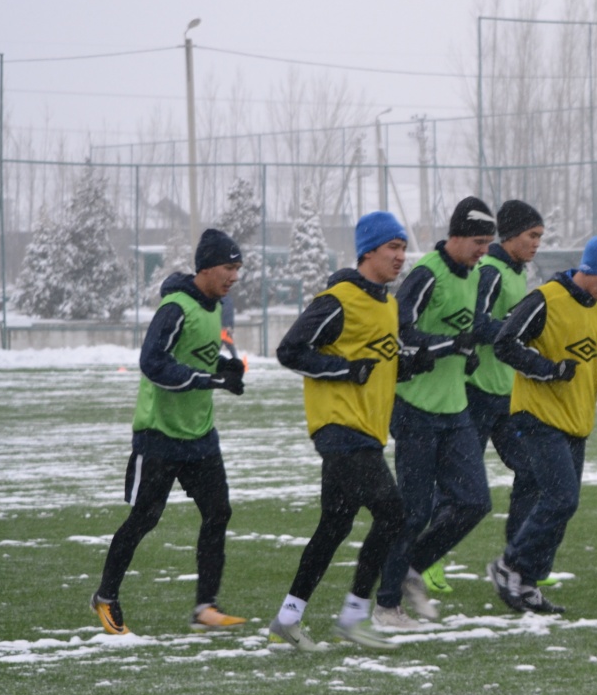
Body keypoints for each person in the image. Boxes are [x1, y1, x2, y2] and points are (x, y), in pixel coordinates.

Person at [267, 211, 439, 652]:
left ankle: (288, 617)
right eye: (392, 248)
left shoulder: (388, 305)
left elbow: (377, 364)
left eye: (403, 248)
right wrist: (343, 368)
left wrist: (411, 365)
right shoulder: (338, 299)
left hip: (366, 432)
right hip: (339, 428)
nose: (401, 256)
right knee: (393, 514)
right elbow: (290, 350)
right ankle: (354, 616)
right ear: (368, 251)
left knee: (334, 526)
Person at [90, 229, 248, 635]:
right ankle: (105, 597)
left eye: (238, 269)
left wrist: (226, 370)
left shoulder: (216, 307)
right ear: (206, 267)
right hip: (159, 435)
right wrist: (208, 379)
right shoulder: (176, 307)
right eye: (228, 268)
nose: (234, 276)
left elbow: (200, 358)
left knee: (218, 512)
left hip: (200, 435)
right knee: (144, 518)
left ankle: (206, 607)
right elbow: (153, 363)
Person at [372, 197, 496, 630]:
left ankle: (411, 566)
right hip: (415, 408)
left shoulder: (476, 275)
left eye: (488, 243)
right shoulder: (426, 274)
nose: (484, 250)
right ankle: (387, 606)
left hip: (456, 407)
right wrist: (449, 346)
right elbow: (400, 334)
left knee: (475, 502)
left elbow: (469, 330)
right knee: (414, 511)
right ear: (457, 236)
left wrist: (471, 351)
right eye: (479, 242)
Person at [488, 235, 597, 613]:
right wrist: (548, 369)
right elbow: (504, 343)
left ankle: (527, 583)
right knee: (561, 497)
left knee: (563, 505)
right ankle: (508, 565)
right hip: (537, 415)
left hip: (575, 419)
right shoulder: (545, 299)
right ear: (588, 269)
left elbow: (592, 360)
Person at [434, 199, 545, 597]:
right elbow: (477, 322)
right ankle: (428, 558)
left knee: (532, 472)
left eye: (540, 237)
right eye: (532, 235)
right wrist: (513, 331)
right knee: (457, 485)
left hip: (507, 395)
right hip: (476, 391)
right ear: (511, 235)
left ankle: (519, 557)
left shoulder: (518, 271)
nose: (536, 243)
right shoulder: (491, 271)